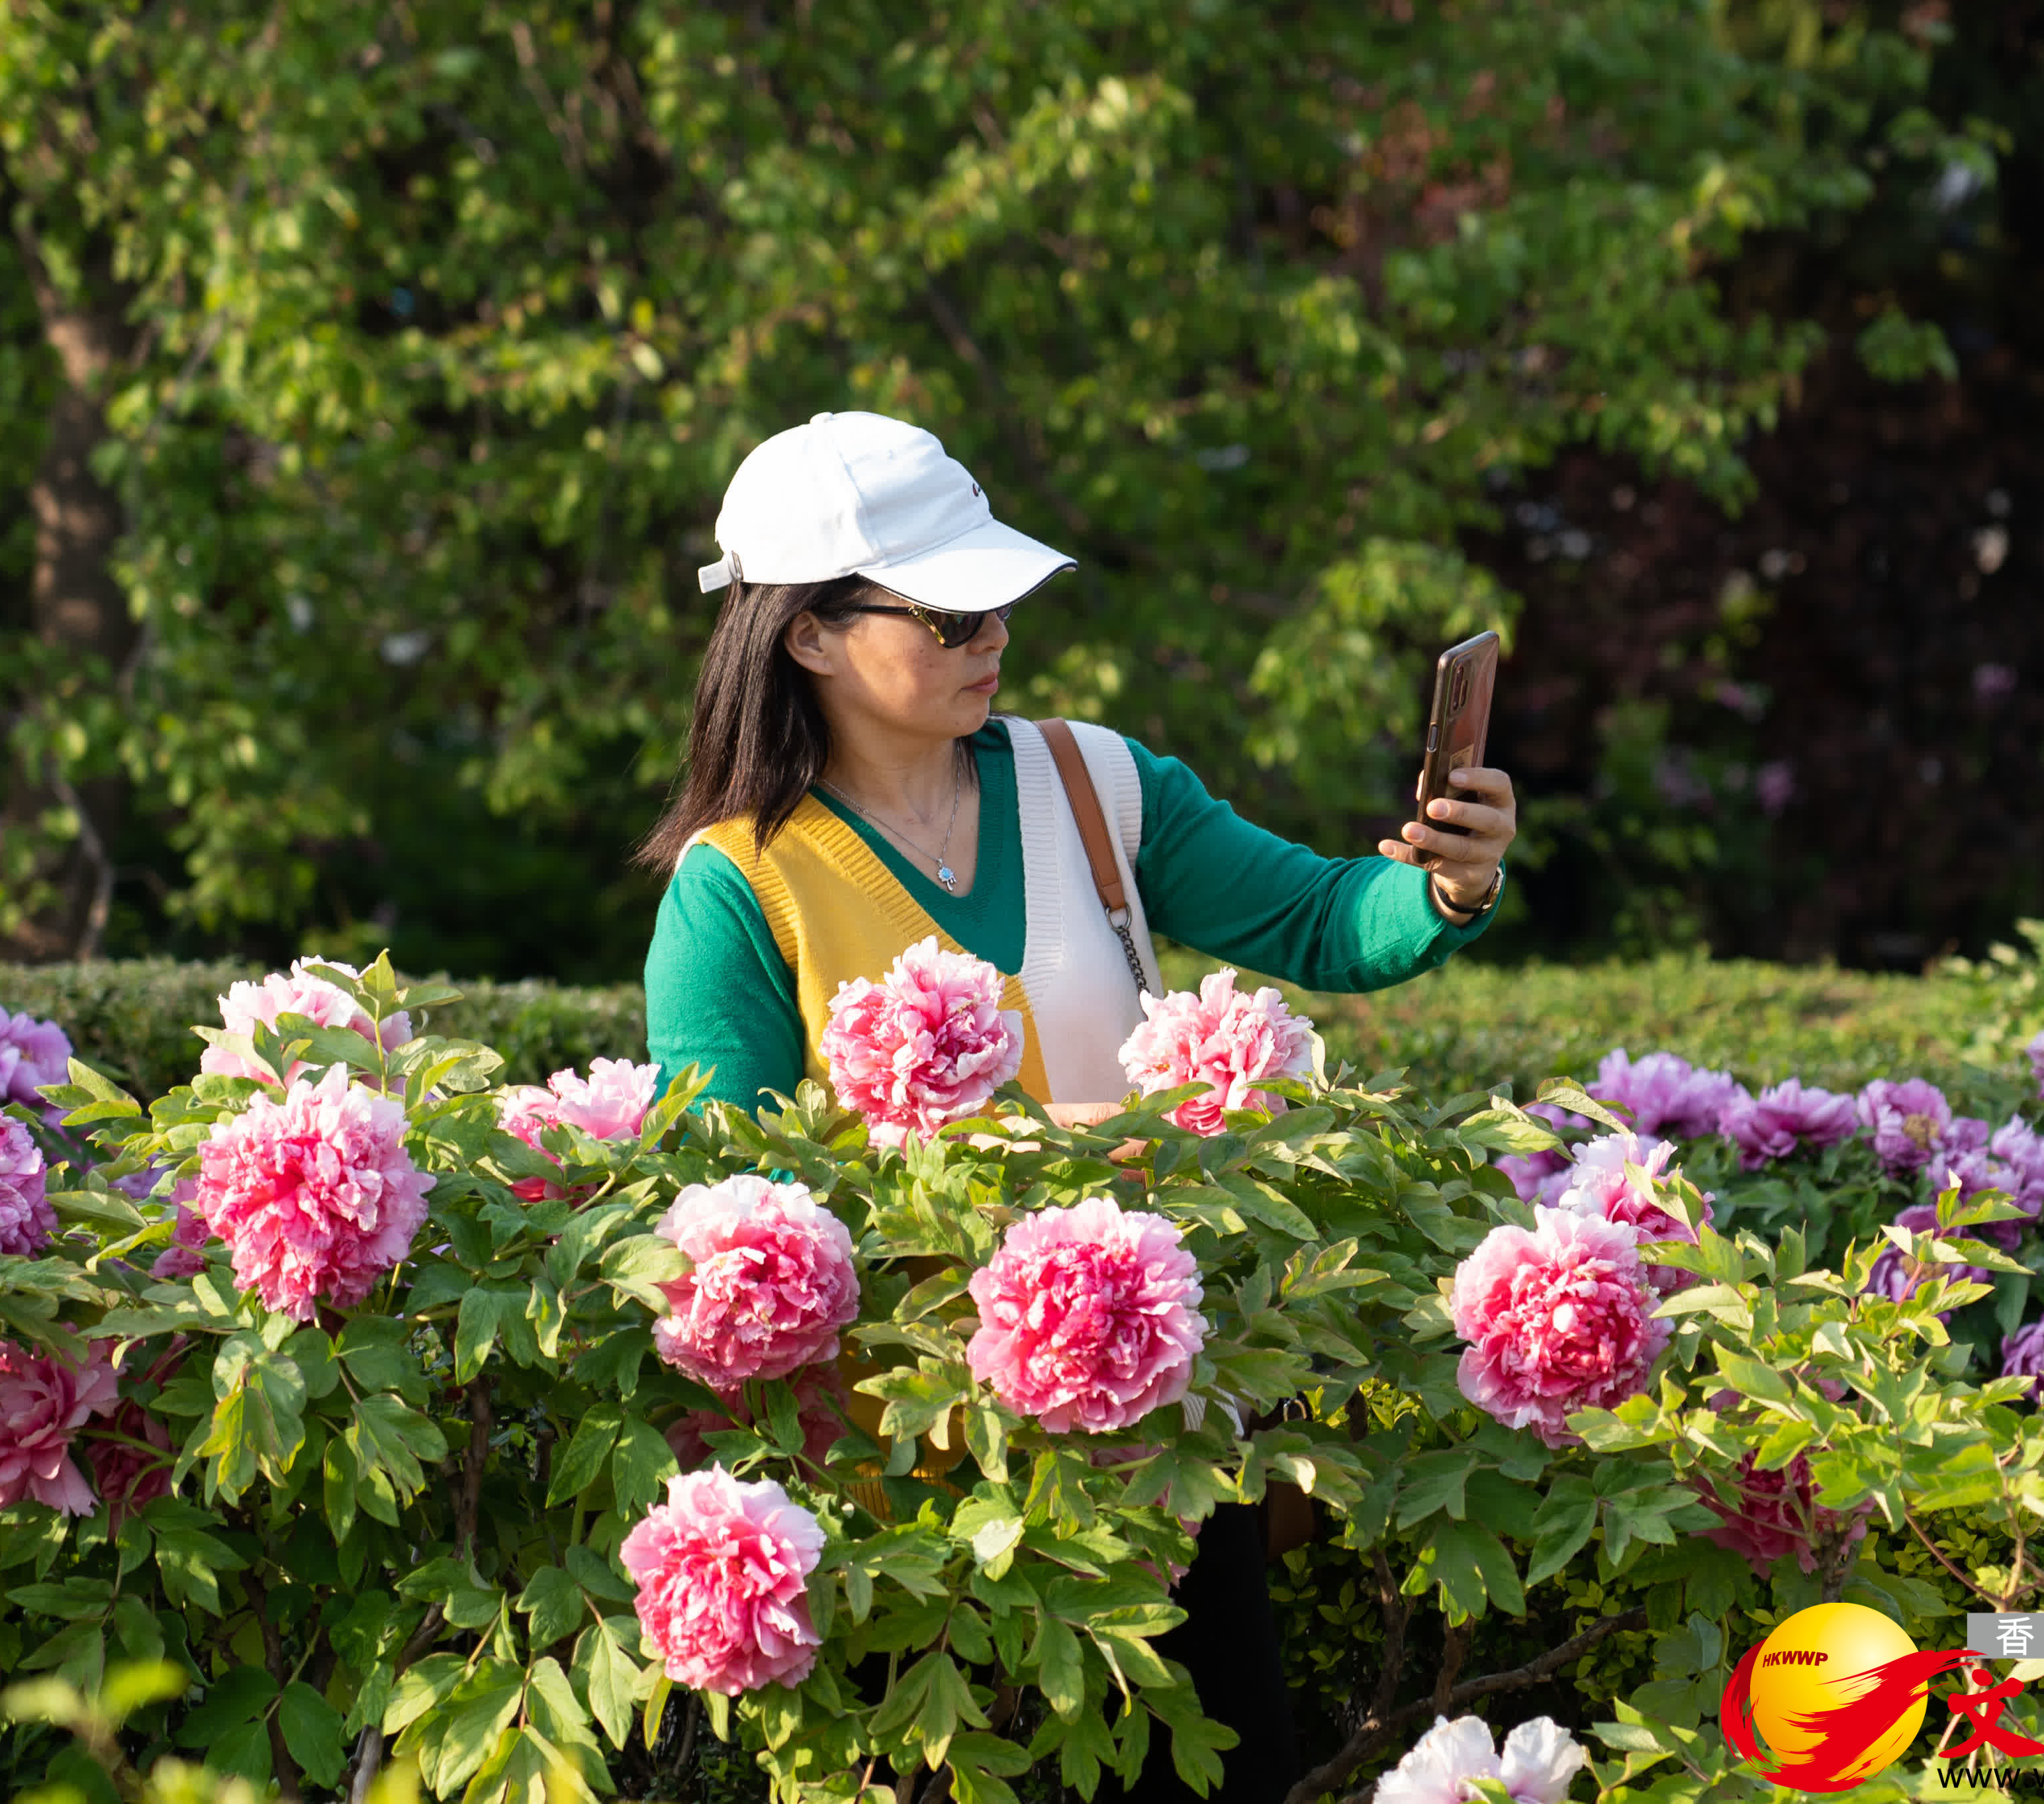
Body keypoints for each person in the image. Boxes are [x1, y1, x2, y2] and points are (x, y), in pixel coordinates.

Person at [638, 410, 1518, 1803]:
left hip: (1166, 1443)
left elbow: (1321, 917)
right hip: (920, 1512)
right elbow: (722, 1216)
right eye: (950, 611)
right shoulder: (737, 885)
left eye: (1000, 598)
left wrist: (1451, 882)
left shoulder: (1095, 780)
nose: (994, 633)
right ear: (807, 635)